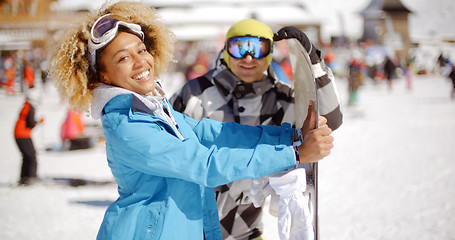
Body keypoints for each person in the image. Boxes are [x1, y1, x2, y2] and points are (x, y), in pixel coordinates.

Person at [49, 2, 334, 239]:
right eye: (123, 58)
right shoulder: (127, 125)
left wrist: (291, 137)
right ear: (104, 77)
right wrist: (293, 154)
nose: (140, 62)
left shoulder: (153, 108)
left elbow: (215, 133)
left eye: (141, 49)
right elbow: (206, 165)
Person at [170, 19, 342, 239]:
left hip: (246, 229)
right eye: (239, 47)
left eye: (258, 48)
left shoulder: (282, 99)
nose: (248, 57)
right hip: (191, 224)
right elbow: (165, 134)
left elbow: (329, 120)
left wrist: (314, 62)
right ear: (226, 50)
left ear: (270, 53)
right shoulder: (196, 91)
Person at [14, 94, 43, 185]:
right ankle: (31, 177)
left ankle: (24, 177)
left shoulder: (26, 106)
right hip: (23, 135)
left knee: (27, 155)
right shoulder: (30, 107)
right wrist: (39, 122)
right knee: (31, 155)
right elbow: (30, 123)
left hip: (20, 133)